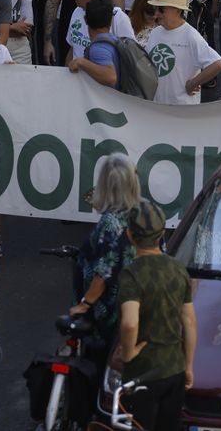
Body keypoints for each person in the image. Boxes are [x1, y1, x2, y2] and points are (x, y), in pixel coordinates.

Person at [116, 201, 195, 431]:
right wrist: (188, 366)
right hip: (174, 369)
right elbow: (189, 321)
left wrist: (129, 352)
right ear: (162, 234)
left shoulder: (132, 275)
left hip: (143, 374)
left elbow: (130, 323)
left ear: (130, 235)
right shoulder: (178, 269)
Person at [67, 154, 138, 359]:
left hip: (109, 311)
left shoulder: (110, 222)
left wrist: (85, 303)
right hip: (137, 304)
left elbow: (105, 271)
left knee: (97, 364)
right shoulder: (143, 214)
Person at [142, 0, 221, 106]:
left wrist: (194, 83)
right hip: (157, 105)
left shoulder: (190, 35)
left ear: (178, 10)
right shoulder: (156, 32)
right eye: (156, 9)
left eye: (161, 9)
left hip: (182, 108)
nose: (156, 14)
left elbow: (217, 63)